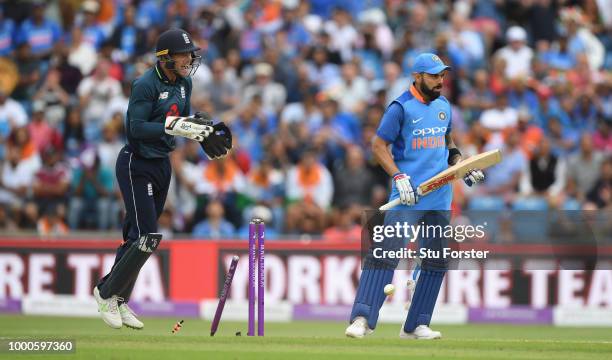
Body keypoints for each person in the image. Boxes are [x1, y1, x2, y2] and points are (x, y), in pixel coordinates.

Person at [92, 28, 232, 330]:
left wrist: (199, 130)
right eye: (183, 54)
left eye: (190, 53)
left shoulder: (185, 83)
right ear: (165, 58)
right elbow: (137, 127)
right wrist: (177, 124)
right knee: (147, 237)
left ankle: (118, 300)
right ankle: (105, 292)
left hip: (162, 164)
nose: (189, 59)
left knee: (135, 238)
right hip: (136, 162)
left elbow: (180, 121)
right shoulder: (144, 84)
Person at [345, 53, 485, 339]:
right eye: (434, 76)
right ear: (417, 76)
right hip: (409, 195)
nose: (440, 81)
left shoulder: (444, 106)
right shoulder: (400, 107)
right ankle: (362, 318)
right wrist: (397, 175)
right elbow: (378, 145)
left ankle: (416, 324)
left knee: (434, 259)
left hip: (439, 197)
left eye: (442, 75)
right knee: (385, 253)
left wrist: (461, 165)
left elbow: (449, 145)